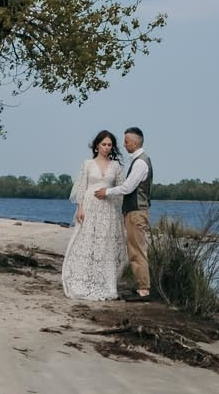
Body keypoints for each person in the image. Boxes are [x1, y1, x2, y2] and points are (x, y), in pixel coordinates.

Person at [63, 131, 127, 301]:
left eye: (109, 145)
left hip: (109, 209)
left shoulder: (116, 166)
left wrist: (110, 196)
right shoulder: (87, 164)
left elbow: (122, 189)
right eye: (104, 144)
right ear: (97, 145)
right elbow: (81, 188)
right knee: (86, 241)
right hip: (90, 207)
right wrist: (80, 208)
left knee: (105, 244)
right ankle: (82, 279)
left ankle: (106, 283)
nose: (106, 147)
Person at [94, 127, 153, 300]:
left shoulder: (141, 162)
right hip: (134, 211)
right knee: (134, 249)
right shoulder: (139, 160)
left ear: (134, 143)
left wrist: (107, 192)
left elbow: (128, 187)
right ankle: (140, 287)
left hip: (136, 212)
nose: (124, 144)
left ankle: (143, 290)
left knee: (137, 251)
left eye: (126, 141)